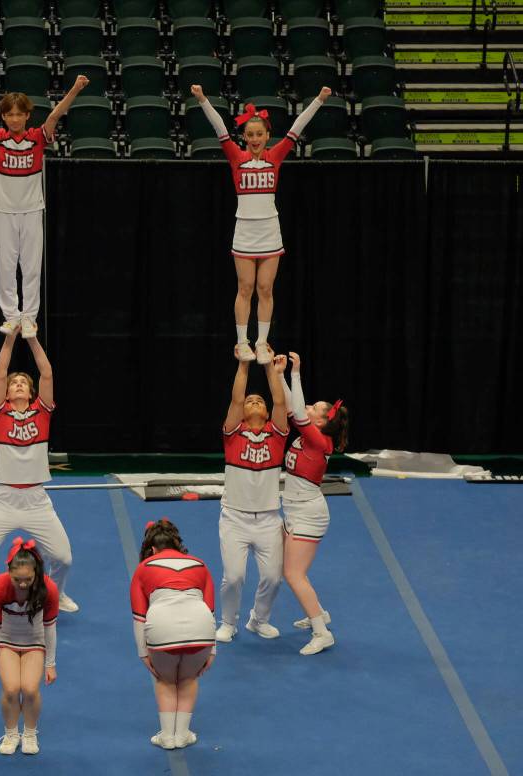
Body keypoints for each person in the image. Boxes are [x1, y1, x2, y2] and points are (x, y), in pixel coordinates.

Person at [190, 84, 331, 364]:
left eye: (259, 134)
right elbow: (218, 127)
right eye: (250, 134)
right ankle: (242, 342)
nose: (255, 139)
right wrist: (203, 99)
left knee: (265, 289)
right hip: (244, 230)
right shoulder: (236, 158)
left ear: (267, 136)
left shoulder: (275, 156)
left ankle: (262, 341)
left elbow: (297, 126)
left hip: (269, 231)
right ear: (243, 136)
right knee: (245, 288)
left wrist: (319, 99)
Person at [0, 76, 89, 337]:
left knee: (32, 267)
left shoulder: (37, 138)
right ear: (3, 117)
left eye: (19, 115)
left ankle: (30, 318)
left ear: (27, 116)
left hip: (33, 210)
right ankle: (11, 316)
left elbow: (55, 115)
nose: (14, 119)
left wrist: (75, 89)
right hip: (3, 210)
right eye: (9, 115)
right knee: (7, 268)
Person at [0, 327, 77, 619]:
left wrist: (31, 337)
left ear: (32, 391)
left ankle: (58, 593)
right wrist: (10, 337)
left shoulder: (43, 411)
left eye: (23, 383)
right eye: (14, 384)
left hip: (37, 500)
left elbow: (47, 373)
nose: (18, 386)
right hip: (4, 499)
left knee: (64, 558)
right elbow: (0, 373)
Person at [216, 346, 289, 643]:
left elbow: (281, 400)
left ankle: (258, 620)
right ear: (243, 413)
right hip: (234, 517)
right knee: (233, 578)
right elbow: (236, 398)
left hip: (269, 519)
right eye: (250, 401)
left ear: (268, 412)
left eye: (260, 400)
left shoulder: (277, 433)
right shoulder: (233, 433)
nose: (255, 401)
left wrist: (270, 367)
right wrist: (244, 364)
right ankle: (228, 622)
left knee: (273, 578)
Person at [281, 352, 350, 655]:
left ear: (321, 422)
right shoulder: (310, 434)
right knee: (294, 571)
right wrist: (281, 374)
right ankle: (319, 614)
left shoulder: (319, 441)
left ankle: (322, 632)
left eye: (314, 408)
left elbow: (296, 410)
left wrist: (296, 372)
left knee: (293, 574)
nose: (308, 407)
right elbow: (291, 404)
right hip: (296, 509)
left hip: (308, 514)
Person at [130, 519, 216, 750]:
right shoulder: (200, 565)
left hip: (162, 628)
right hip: (202, 628)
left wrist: (143, 654)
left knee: (166, 680)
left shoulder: (144, 567)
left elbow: (139, 616)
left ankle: (168, 736)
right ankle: (183, 733)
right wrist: (213, 649)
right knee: (188, 678)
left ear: (152, 549)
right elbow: (210, 610)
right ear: (178, 546)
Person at [0, 537, 58, 755]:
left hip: (35, 642)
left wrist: (50, 664)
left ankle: (29, 733)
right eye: (17, 579)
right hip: (6, 641)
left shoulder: (48, 588)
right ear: (8, 572)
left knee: (29, 688)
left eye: (28, 579)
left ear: (36, 573)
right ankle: (10, 733)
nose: (23, 584)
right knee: (10, 689)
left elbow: (50, 628)